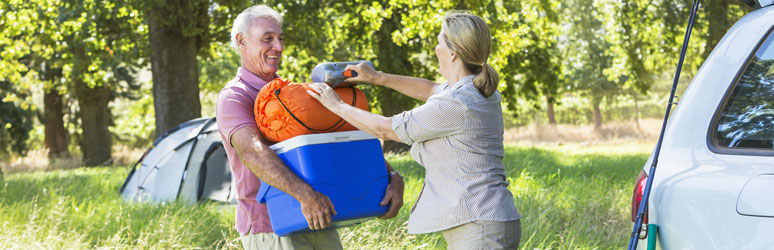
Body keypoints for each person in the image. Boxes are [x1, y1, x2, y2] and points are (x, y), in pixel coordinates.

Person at [307, 11, 521, 250]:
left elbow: (386, 129)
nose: (435, 48)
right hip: (485, 219)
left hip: (479, 224)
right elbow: (430, 89)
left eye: (439, 42)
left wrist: (336, 105)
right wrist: (377, 77)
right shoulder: (474, 90)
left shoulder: (457, 103)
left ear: (452, 53)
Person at [216, 5, 404, 250]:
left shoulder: (292, 94)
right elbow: (252, 152)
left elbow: (334, 143)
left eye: (280, 39)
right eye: (267, 39)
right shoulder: (234, 96)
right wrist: (306, 196)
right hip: (273, 224)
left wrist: (392, 176)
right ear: (242, 42)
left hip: (318, 215)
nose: (279, 47)